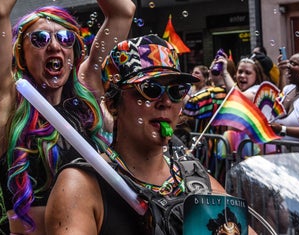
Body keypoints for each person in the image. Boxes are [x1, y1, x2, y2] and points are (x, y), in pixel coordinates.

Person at [0, 0, 135, 234]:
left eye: (64, 38)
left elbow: (123, 11)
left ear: (74, 51)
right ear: (21, 55)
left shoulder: (88, 91)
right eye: (39, 39)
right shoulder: (7, 106)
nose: (55, 46)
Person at [45, 35, 227, 235]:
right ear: (113, 104)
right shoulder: (82, 183)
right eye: (150, 89)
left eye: (176, 91)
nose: (165, 101)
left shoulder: (194, 176)